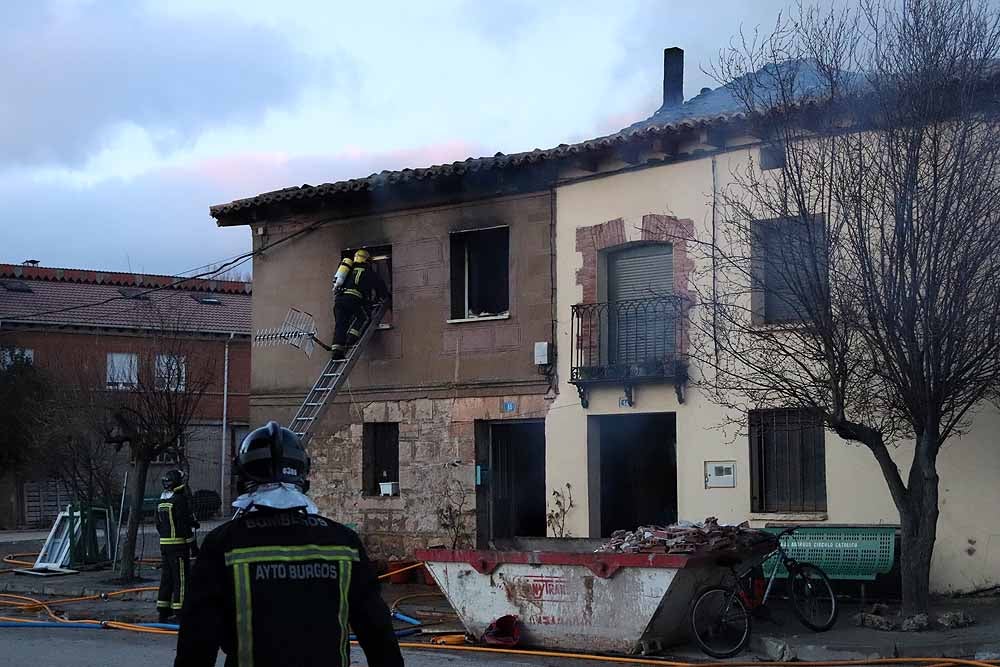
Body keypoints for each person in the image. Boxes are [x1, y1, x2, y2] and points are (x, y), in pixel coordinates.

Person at [175, 421, 404, 667]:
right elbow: (378, 635)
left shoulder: (223, 544)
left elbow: (197, 644)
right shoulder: (344, 542)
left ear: (242, 478)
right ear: (303, 476)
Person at [156, 469, 199, 623]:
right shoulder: (179, 500)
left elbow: (158, 524)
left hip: (164, 545)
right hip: (178, 546)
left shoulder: (161, 501)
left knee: (166, 578)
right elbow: (183, 525)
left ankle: (163, 611)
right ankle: (180, 612)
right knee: (180, 579)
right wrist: (193, 546)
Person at [331, 248, 389, 360]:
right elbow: (380, 286)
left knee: (340, 325)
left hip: (339, 301)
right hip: (354, 300)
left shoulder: (347, 269)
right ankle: (351, 339)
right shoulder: (368, 271)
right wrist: (385, 297)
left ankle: (337, 351)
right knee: (364, 318)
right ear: (367, 260)